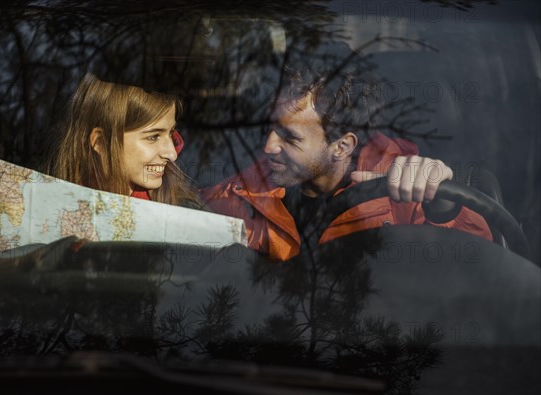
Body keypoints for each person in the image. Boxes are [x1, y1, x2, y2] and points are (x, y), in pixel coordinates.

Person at [202, 66, 492, 261]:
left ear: (342, 146)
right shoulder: (244, 191)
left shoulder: (405, 191)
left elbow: (478, 267)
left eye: (289, 137)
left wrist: (443, 208)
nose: (268, 146)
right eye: (270, 128)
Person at [50, 73, 204, 209]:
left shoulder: (184, 212)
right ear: (100, 142)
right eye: (153, 137)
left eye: (171, 133)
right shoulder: (52, 208)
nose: (172, 153)